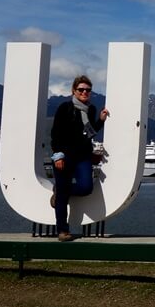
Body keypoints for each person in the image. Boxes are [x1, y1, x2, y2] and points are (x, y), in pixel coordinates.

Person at [50, 75, 110, 241]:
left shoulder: (90, 110)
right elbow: (56, 133)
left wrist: (100, 120)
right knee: (63, 196)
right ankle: (63, 230)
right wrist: (58, 155)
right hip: (64, 156)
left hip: (82, 157)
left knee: (85, 188)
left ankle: (60, 190)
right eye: (81, 89)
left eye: (88, 90)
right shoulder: (65, 108)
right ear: (74, 91)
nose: (85, 92)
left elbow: (89, 133)